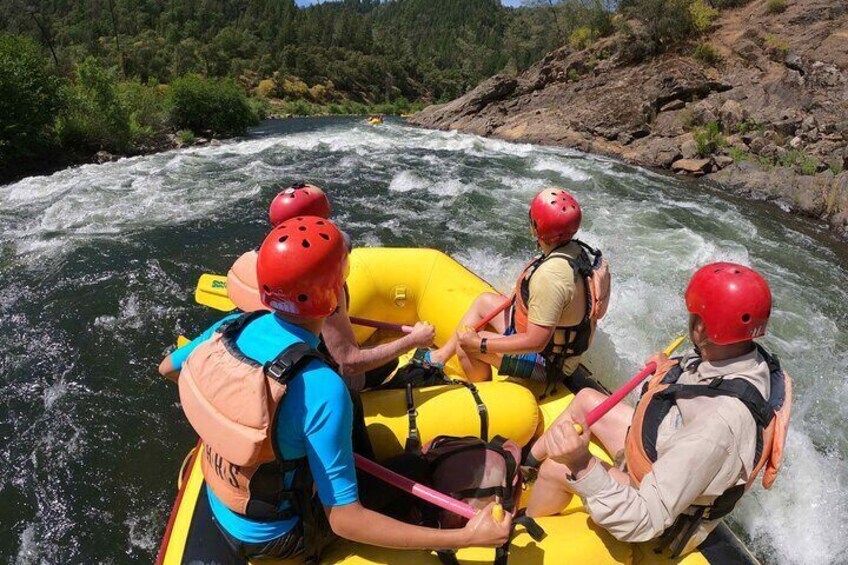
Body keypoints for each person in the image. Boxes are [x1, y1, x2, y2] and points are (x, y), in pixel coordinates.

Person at [158, 217, 511, 561]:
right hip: (280, 537)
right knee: (414, 468)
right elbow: (345, 521)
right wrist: (466, 537)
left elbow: (169, 368)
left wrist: (238, 423)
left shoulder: (230, 326)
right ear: (335, 297)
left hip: (224, 500)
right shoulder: (322, 388)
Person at [524, 262, 792, 557]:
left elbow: (645, 519)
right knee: (587, 399)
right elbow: (700, 386)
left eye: (695, 314)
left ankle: (528, 539)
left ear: (702, 327)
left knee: (557, 468)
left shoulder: (718, 426)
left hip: (658, 513)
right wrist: (668, 368)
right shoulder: (739, 354)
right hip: (666, 452)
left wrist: (581, 463)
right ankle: (524, 465)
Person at [223, 182, 435, 391]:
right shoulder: (319, 287)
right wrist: (413, 340)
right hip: (310, 373)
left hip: (262, 356)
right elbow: (350, 362)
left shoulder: (254, 262)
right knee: (388, 364)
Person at [422, 188, 609, 387]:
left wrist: (480, 344)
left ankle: (483, 391)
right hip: (552, 344)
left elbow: (536, 342)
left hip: (549, 363)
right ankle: (440, 357)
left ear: (536, 228)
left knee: (468, 345)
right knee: (485, 301)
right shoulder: (577, 252)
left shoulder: (550, 277)